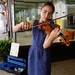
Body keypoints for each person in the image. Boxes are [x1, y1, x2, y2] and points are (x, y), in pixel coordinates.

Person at [13, 1, 61, 75]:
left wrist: (51, 36)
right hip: (33, 52)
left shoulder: (53, 27)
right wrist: (21, 24)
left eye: (50, 13)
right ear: (40, 11)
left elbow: (45, 45)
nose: (46, 15)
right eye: (45, 11)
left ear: (52, 15)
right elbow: (13, 29)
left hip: (44, 54)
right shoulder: (34, 22)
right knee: (32, 72)